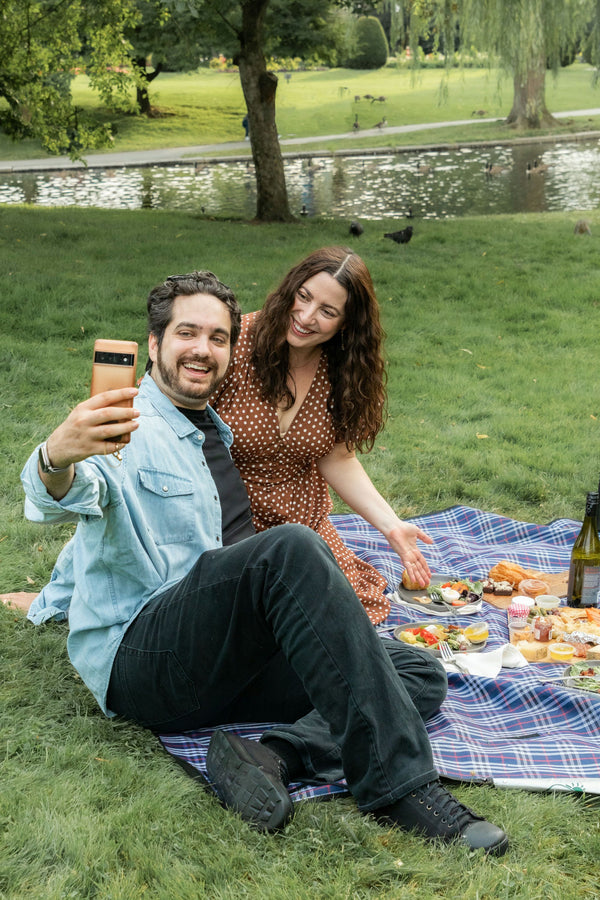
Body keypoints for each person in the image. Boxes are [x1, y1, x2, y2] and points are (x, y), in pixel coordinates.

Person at [21, 271, 508, 855]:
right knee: (293, 545)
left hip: (222, 660)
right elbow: (70, 490)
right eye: (187, 333)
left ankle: (269, 755)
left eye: (219, 337)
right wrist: (56, 456)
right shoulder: (130, 428)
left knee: (415, 672)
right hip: (147, 663)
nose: (203, 349)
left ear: (233, 349)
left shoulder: (210, 433)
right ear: (153, 344)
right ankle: (402, 786)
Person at [211, 246, 432, 625]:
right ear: (291, 289)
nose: (307, 317)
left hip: (301, 529)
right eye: (304, 297)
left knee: (337, 620)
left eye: (327, 312)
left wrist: (392, 526)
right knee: (249, 624)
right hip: (224, 526)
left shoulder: (342, 369)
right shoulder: (234, 341)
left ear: (346, 324)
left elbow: (339, 457)